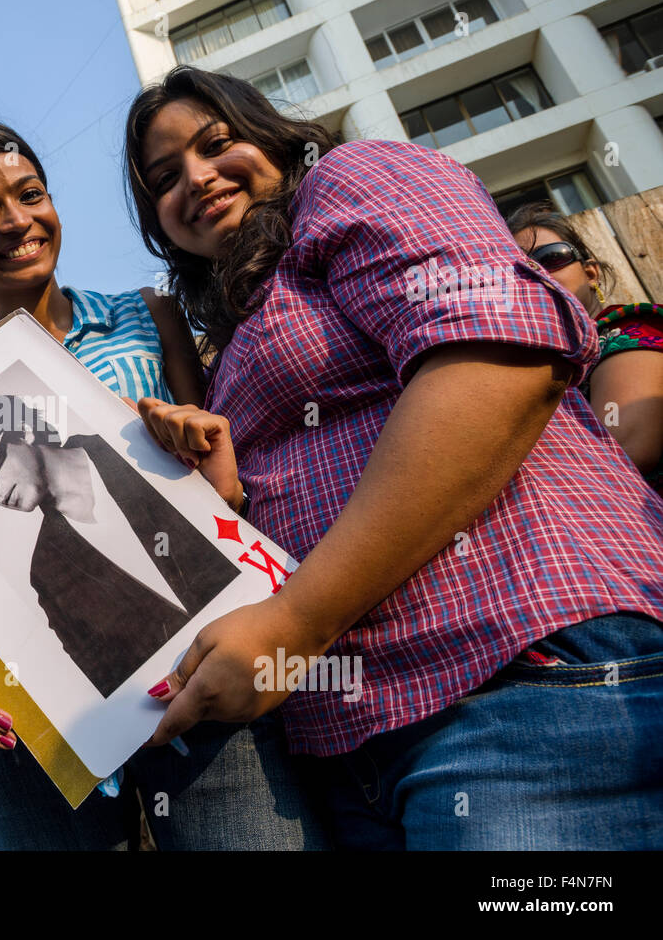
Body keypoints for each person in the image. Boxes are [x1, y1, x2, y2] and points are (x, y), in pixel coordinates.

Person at [123, 65, 663, 849]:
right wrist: (228, 496)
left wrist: (294, 622)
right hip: (355, 748)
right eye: (165, 179)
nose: (197, 179)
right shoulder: (236, 330)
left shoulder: (351, 177)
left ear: (274, 139)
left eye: (217, 143)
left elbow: (498, 357)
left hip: (514, 676)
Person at [0, 119, 329, 849]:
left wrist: (209, 467)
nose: (15, 221)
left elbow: (227, 481)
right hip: (43, 727)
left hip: (201, 672)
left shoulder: (150, 315)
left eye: (29, 194)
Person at [0, 390, 239, 698]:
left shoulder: (134, 447)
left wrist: (224, 497)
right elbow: (110, 689)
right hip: (200, 719)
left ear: (24, 431)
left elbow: (237, 540)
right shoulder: (46, 575)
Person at [508, 202, 663, 493]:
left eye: (550, 258)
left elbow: (628, 450)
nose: (539, 276)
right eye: (521, 272)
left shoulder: (629, 331)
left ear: (590, 274)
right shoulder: (552, 366)